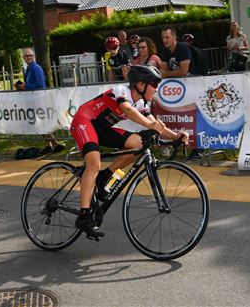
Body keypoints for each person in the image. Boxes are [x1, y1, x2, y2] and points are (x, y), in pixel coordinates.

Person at [69, 65, 188, 238]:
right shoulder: (121, 90)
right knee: (94, 162)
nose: (156, 89)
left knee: (138, 144)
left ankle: (105, 176)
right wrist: (149, 125)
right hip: (84, 121)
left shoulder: (140, 103)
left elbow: (154, 124)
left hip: (101, 129)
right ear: (141, 85)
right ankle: (84, 216)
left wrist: (175, 137)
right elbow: (127, 110)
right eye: (154, 84)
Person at [15, 48, 65, 155]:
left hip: (39, 100)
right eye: (26, 56)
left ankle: (54, 144)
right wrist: (21, 87)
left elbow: (40, 84)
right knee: (39, 124)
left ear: (34, 57)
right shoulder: (28, 69)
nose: (29, 57)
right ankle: (51, 145)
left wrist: (25, 86)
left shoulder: (36, 68)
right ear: (23, 58)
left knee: (42, 123)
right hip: (33, 100)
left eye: (30, 56)